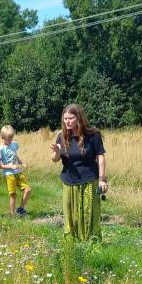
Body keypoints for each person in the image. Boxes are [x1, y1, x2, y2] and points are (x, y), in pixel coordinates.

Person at [51, 104, 108, 242]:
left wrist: (102, 179)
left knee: (89, 214)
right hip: (68, 181)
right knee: (70, 214)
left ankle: (91, 242)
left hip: (89, 180)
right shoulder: (62, 136)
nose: (67, 121)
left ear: (79, 118)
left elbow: (100, 156)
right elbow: (55, 159)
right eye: (65, 118)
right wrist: (57, 152)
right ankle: (71, 242)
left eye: (70, 118)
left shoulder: (93, 135)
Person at [0, 125, 31, 216]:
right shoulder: (0, 149)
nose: (11, 140)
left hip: (18, 172)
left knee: (28, 189)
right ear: (2, 137)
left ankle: (21, 209)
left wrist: (22, 163)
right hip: (9, 175)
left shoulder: (14, 144)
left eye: (12, 137)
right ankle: (12, 215)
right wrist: (10, 166)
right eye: (9, 138)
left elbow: (15, 155)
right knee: (13, 194)